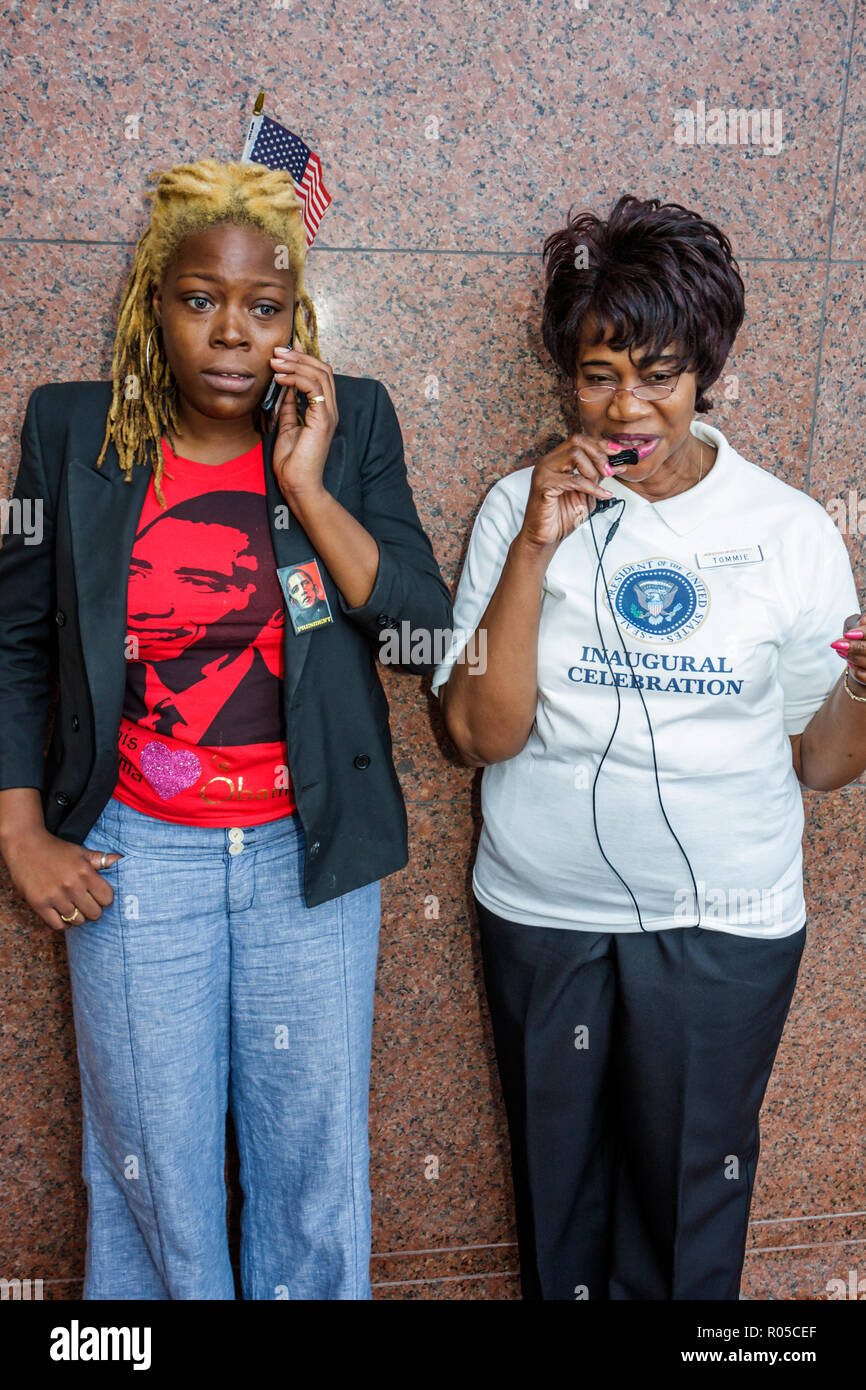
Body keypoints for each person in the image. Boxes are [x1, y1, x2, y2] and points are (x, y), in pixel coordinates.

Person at [0, 157, 453, 1300]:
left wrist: (304, 482)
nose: (231, 333)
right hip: (135, 849)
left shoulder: (354, 427)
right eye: (200, 300)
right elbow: (14, 641)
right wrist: (19, 832)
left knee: (313, 1158)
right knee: (148, 1158)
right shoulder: (66, 432)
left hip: (310, 851)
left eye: (263, 307)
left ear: (294, 319)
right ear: (156, 301)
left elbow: (418, 637)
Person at [432, 194, 866, 1301]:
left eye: (658, 373)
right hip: (544, 911)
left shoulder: (786, 531)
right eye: (596, 374)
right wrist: (534, 550)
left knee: (685, 1204)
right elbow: (478, 735)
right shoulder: (513, 505)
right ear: (564, 376)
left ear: (703, 371)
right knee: (558, 1194)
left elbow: (818, 763)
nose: (627, 405)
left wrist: (862, 689)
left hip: (720, 925)